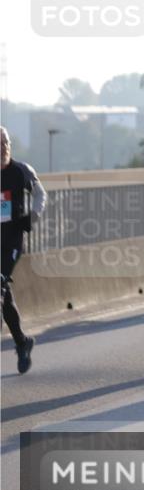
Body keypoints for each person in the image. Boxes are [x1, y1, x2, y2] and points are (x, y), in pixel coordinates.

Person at [1, 126, 47, 374]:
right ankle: (22, 341)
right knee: (3, 291)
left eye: (5, 142)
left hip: (13, 240)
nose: (2, 148)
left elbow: (40, 195)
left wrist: (34, 215)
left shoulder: (21, 171)